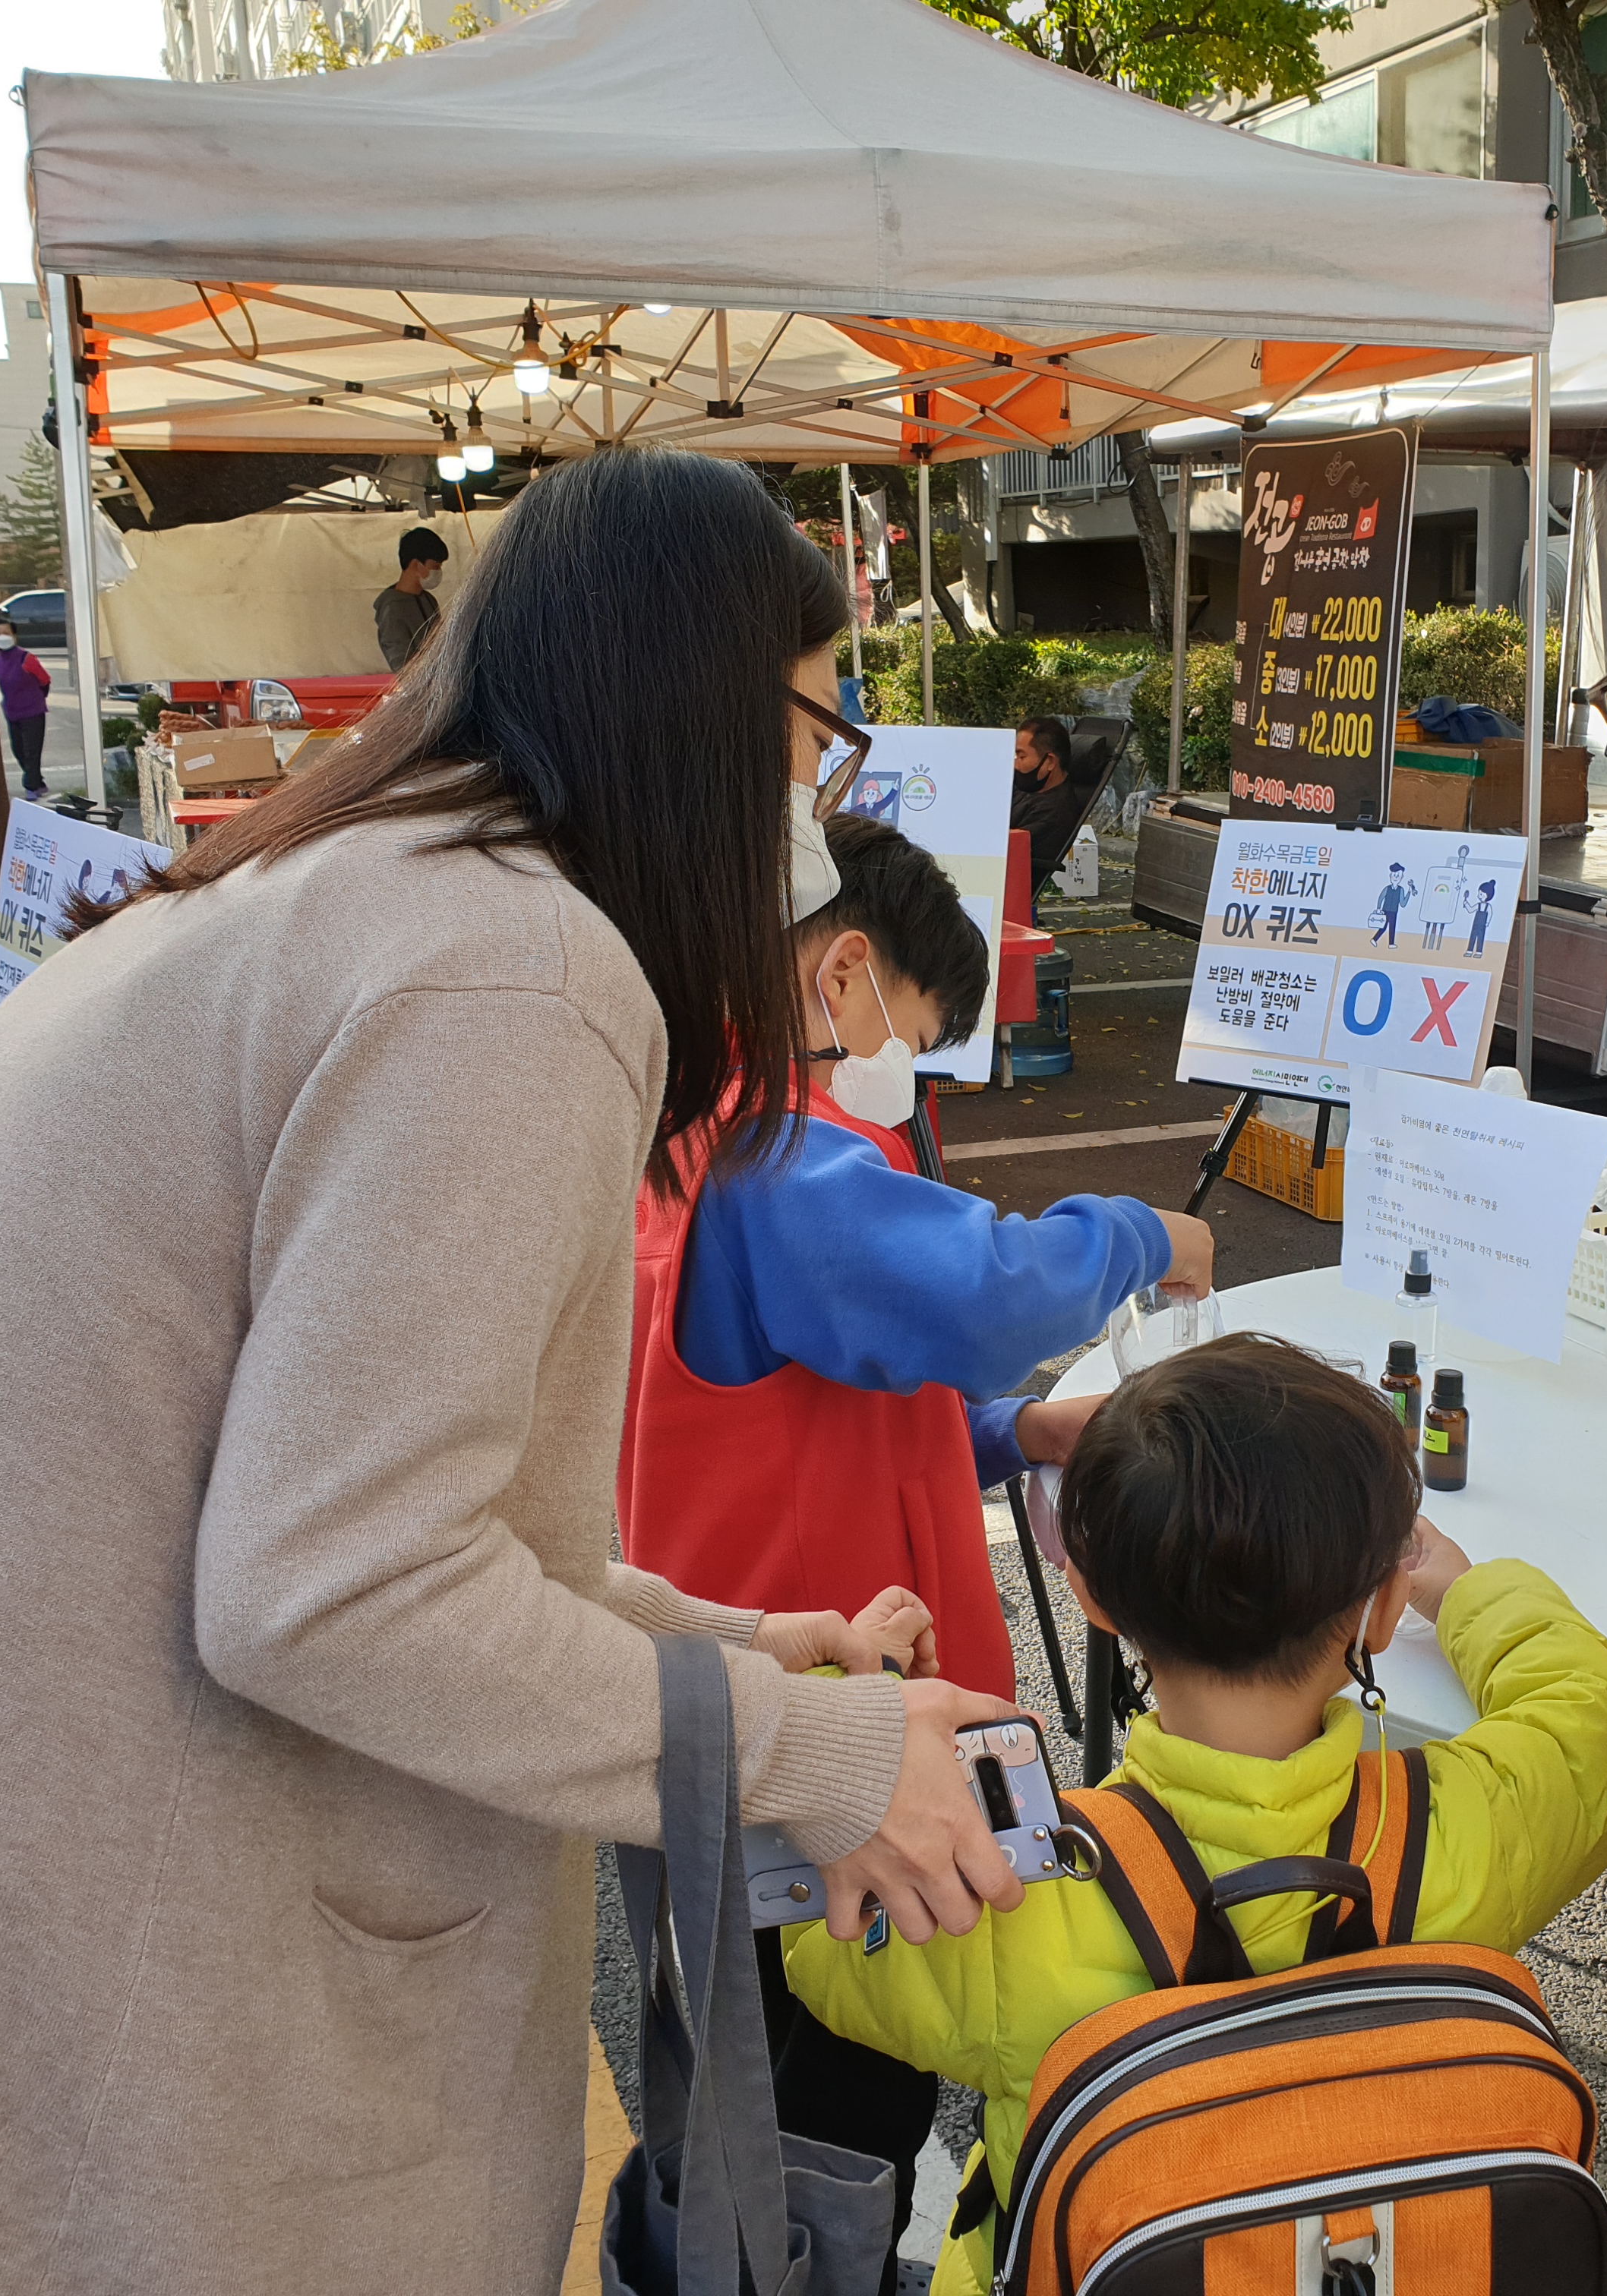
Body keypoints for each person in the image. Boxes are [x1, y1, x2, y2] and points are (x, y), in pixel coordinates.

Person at [0, 449, 1031, 2296]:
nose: (816, 801)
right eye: (814, 734)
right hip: (74, 1905)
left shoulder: (349, 887)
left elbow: (378, 1517)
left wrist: (730, 1652)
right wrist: (810, 1752)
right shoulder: (513, 971)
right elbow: (336, 1583)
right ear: (699, 715)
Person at [618, 811, 1211, 2279]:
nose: (906, 1074)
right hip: (822, 1751)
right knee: (834, 2111)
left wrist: (1017, 1431)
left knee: (761, 2100)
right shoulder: (770, 1153)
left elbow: (819, 1398)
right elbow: (989, 1293)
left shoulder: (674, 1130)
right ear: (843, 974)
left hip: (742, 1721)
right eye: (918, 1037)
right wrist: (1144, 1232)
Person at [789, 1334, 1607, 2295]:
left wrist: (852, 1699)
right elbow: (1595, 1727)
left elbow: (819, 1935)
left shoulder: (1009, 1898)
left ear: (1091, 1597)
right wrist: (1463, 1589)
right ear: (1381, 1611)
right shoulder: (1465, 1834)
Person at [1009, 714, 1093, 893]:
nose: (1015, 764)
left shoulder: (1054, 811)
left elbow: (1009, 846)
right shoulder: (1030, 788)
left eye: (1021, 756)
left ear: (1050, 762)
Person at [0, 614, 51, 794]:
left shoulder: (26, 658)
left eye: (6, 633)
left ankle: (31, 787)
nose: (2, 637)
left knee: (32, 751)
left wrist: (37, 698)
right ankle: (37, 782)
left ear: (14, 636)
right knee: (18, 750)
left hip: (32, 711)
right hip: (12, 711)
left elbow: (44, 680)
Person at [375, 524, 447, 670]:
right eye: (436, 566)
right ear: (416, 565)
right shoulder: (393, 609)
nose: (439, 571)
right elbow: (403, 666)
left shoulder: (428, 599)